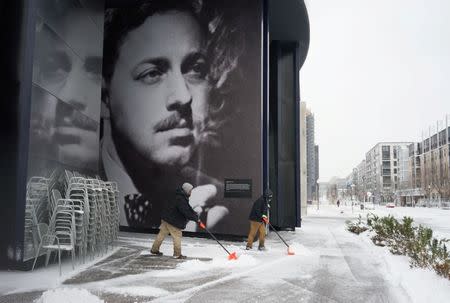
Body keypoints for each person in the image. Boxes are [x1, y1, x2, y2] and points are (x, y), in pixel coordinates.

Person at [101, 0, 242, 231]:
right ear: (104, 98)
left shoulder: (224, 205)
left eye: (197, 69)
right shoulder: (69, 188)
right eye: (152, 73)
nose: (183, 96)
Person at [151, 183, 201, 259]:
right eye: (190, 191)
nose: (191, 192)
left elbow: (188, 208)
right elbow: (185, 211)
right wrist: (195, 218)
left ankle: (154, 249)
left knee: (161, 234)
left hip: (166, 218)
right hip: (173, 221)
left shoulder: (178, 195)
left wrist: (194, 214)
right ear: (186, 190)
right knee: (177, 236)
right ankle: (177, 254)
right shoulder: (181, 198)